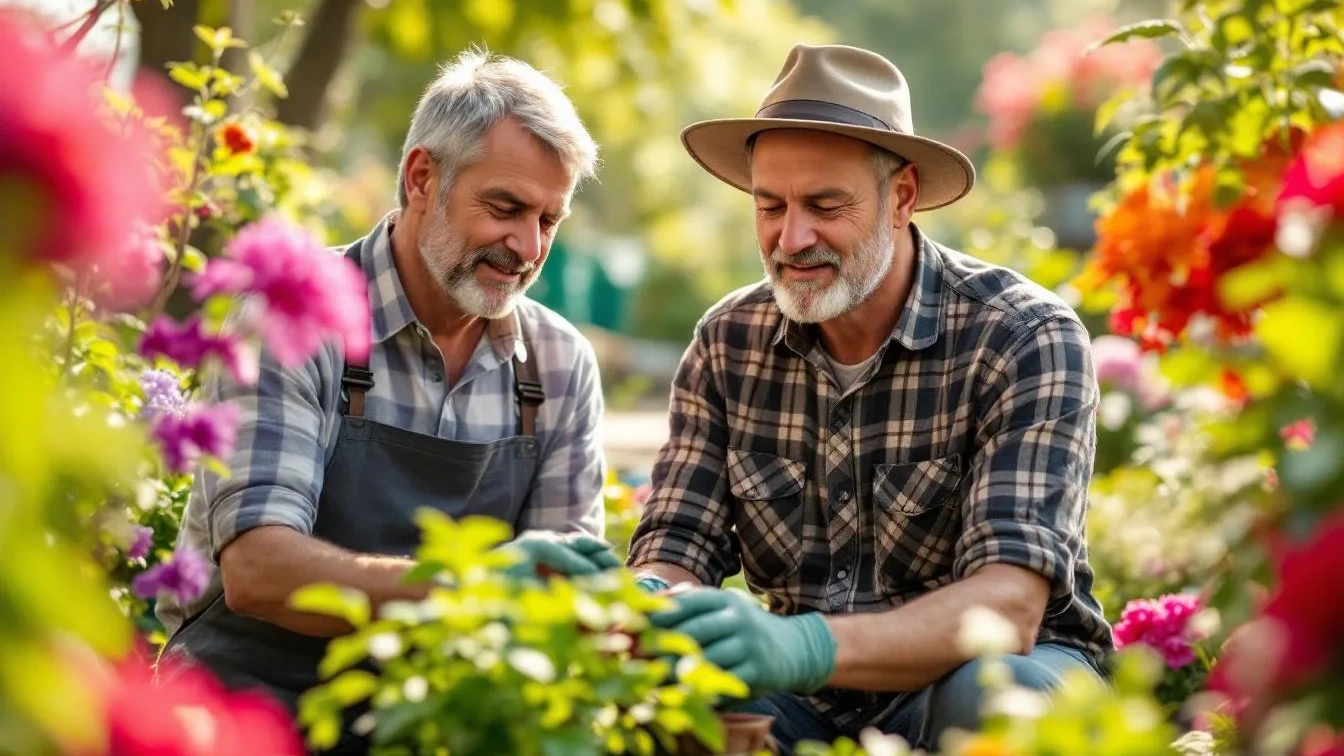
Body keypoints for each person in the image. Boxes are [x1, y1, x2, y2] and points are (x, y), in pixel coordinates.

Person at [627, 43, 1112, 753]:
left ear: (903, 198)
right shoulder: (727, 341)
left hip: (996, 672)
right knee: (661, 680)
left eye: (825, 205)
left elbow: (1006, 609)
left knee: (997, 691)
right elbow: (675, 546)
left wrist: (803, 646)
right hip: (805, 703)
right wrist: (648, 603)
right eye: (770, 206)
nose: (792, 238)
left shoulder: (1022, 336)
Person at [158, 49, 619, 743]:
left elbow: (562, 598)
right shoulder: (294, 315)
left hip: (435, 718)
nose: (526, 246)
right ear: (423, 177)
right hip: (248, 710)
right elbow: (258, 569)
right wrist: (476, 591)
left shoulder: (556, 366)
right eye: (505, 208)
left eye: (549, 221)